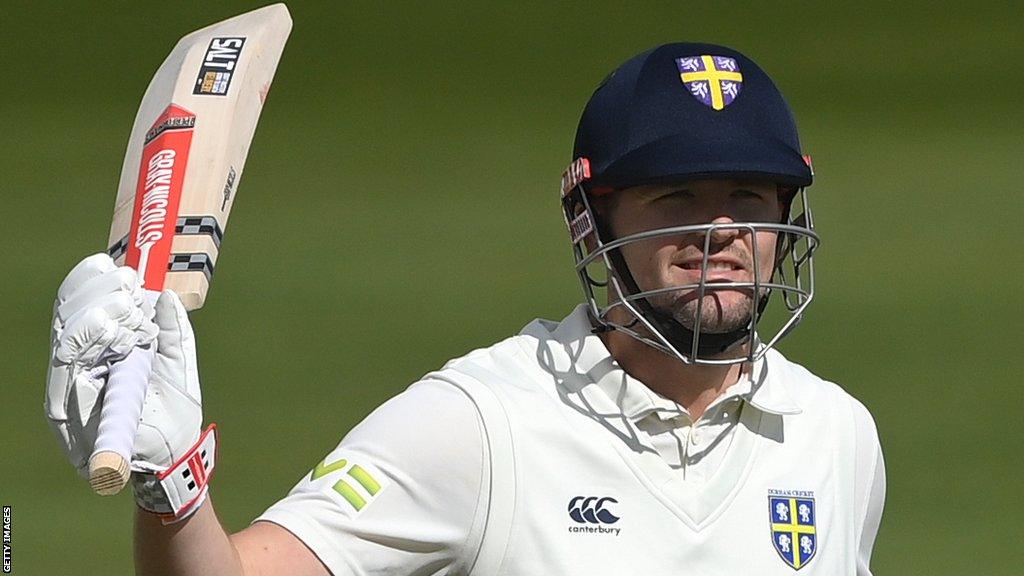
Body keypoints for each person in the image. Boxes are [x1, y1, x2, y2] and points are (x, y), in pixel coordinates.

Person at [45, 42, 885, 575]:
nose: (723, 229)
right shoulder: (483, 425)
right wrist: (174, 493)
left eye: (750, 195)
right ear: (591, 220)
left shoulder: (834, 435)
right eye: (679, 198)